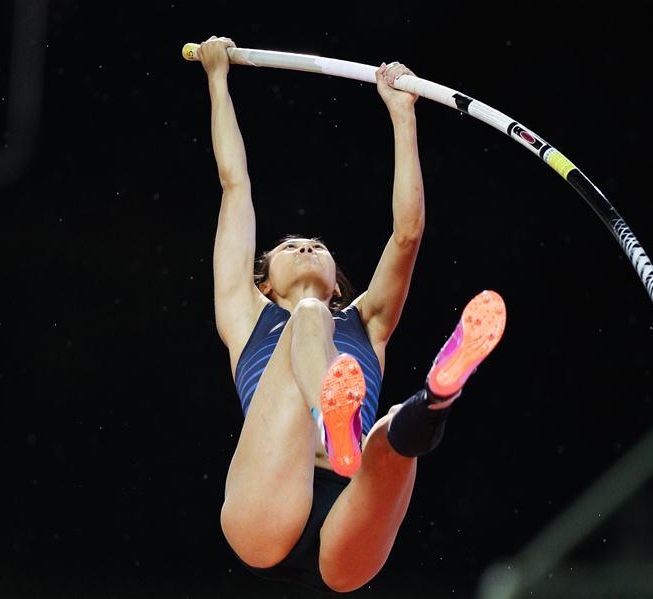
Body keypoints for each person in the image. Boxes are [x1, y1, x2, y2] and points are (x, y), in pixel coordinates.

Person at [198, 36, 506, 593]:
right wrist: (219, 81)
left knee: (391, 442)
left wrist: (402, 114)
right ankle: (336, 419)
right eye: (292, 246)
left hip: (350, 525)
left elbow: (407, 235)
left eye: (316, 243)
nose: (308, 246)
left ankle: (436, 399)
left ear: (342, 278)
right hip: (264, 506)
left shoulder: (368, 322)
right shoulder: (246, 313)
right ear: (264, 280)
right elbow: (234, 184)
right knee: (308, 319)